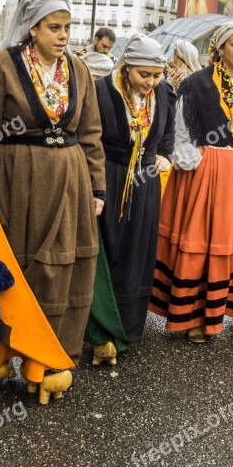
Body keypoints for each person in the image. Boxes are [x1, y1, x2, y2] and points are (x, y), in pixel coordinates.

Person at [0, 0, 106, 402]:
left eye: (68, 27)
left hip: (69, 181)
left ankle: (48, 362)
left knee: (62, 269)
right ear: (32, 29)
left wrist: (96, 186)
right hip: (15, 181)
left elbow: (90, 133)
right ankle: (3, 351)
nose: (63, 35)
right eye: (54, 27)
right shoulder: (0, 66)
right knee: (16, 269)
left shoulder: (79, 70)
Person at [149, 22, 233, 343]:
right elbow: (181, 128)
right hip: (203, 168)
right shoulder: (198, 83)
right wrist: (188, 156)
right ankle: (192, 316)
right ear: (220, 49)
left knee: (222, 247)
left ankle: (214, 313)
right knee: (198, 243)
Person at [92, 34, 175, 353]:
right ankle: (102, 329)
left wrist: (164, 153)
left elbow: (167, 131)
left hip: (146, 179)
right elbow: (91, 136)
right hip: (110, 174)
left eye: (156, 75)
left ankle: (128, 327)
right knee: (109, 248)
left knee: (137, 250)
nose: (151, 82)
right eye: (144, 75)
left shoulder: (164, 91)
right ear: (125, 67)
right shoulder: (102, 90)